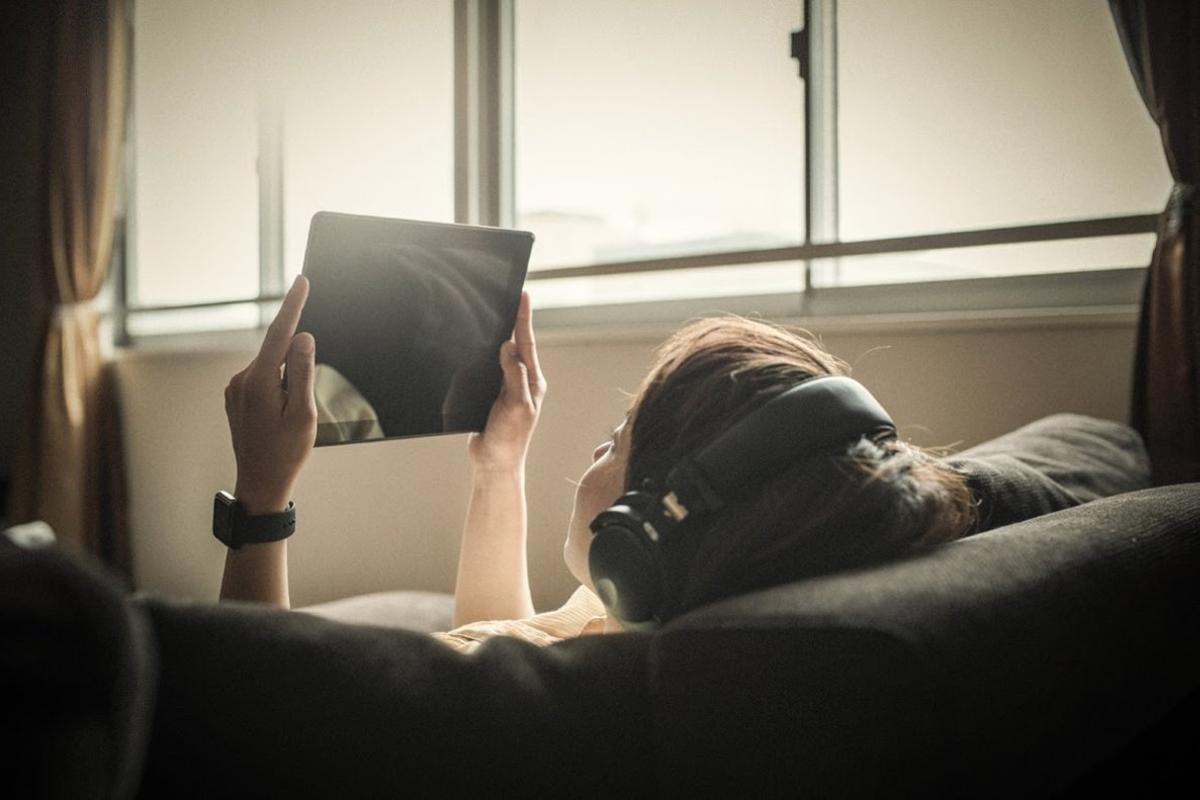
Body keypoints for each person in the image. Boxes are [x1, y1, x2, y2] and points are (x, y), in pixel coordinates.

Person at [218, 275, 977, 650]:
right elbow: (502, 642)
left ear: (641, 534)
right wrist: (499, 468)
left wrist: (260, 498)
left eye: (617, 443)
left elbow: (257, 719)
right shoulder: (634, 623)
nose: (593, 450)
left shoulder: (583, 704)